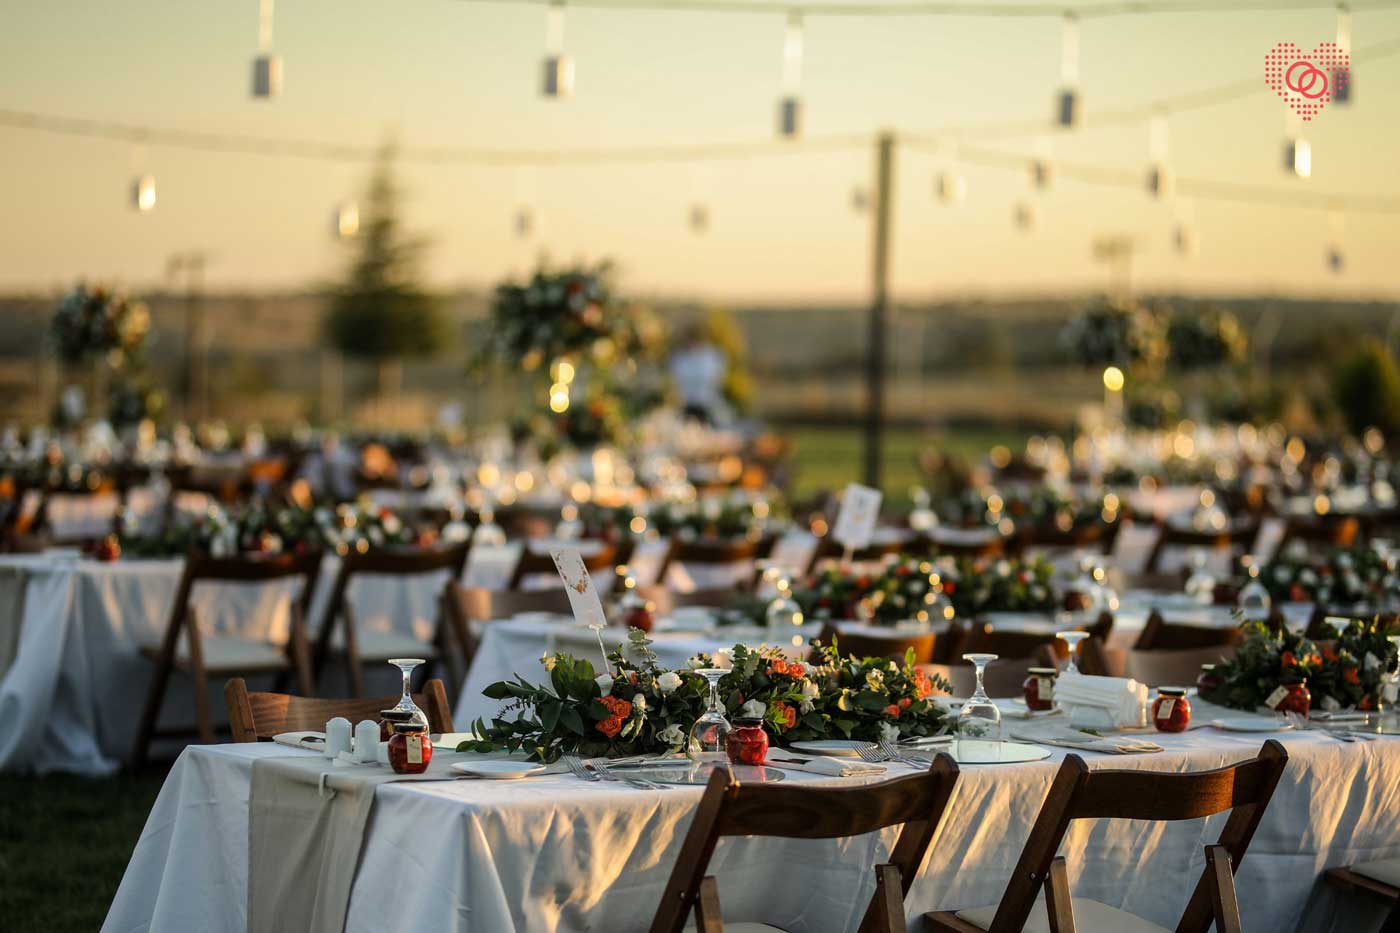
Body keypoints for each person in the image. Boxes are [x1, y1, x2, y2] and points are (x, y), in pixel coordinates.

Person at [669, 324, 729, 425]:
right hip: (685, 407)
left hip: (709, 406)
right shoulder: (678, 358)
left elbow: (717, 380)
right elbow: (675, 382)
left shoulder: (713, 357)